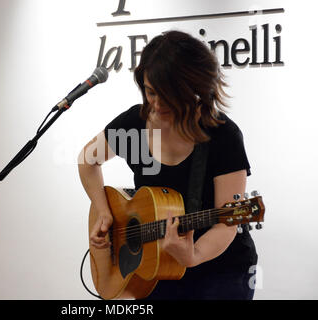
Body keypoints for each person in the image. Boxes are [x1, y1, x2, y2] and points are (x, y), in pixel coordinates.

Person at [77, 30, 257, 300]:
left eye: (169, 96)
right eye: (151, 92)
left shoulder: (222, 136)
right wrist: (104, 212)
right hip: (155, 264)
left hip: (221, 269)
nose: (158, 104)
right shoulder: (134, 125)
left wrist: (193, 255)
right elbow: (87, 160)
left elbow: (227, 223)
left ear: (194, 88)